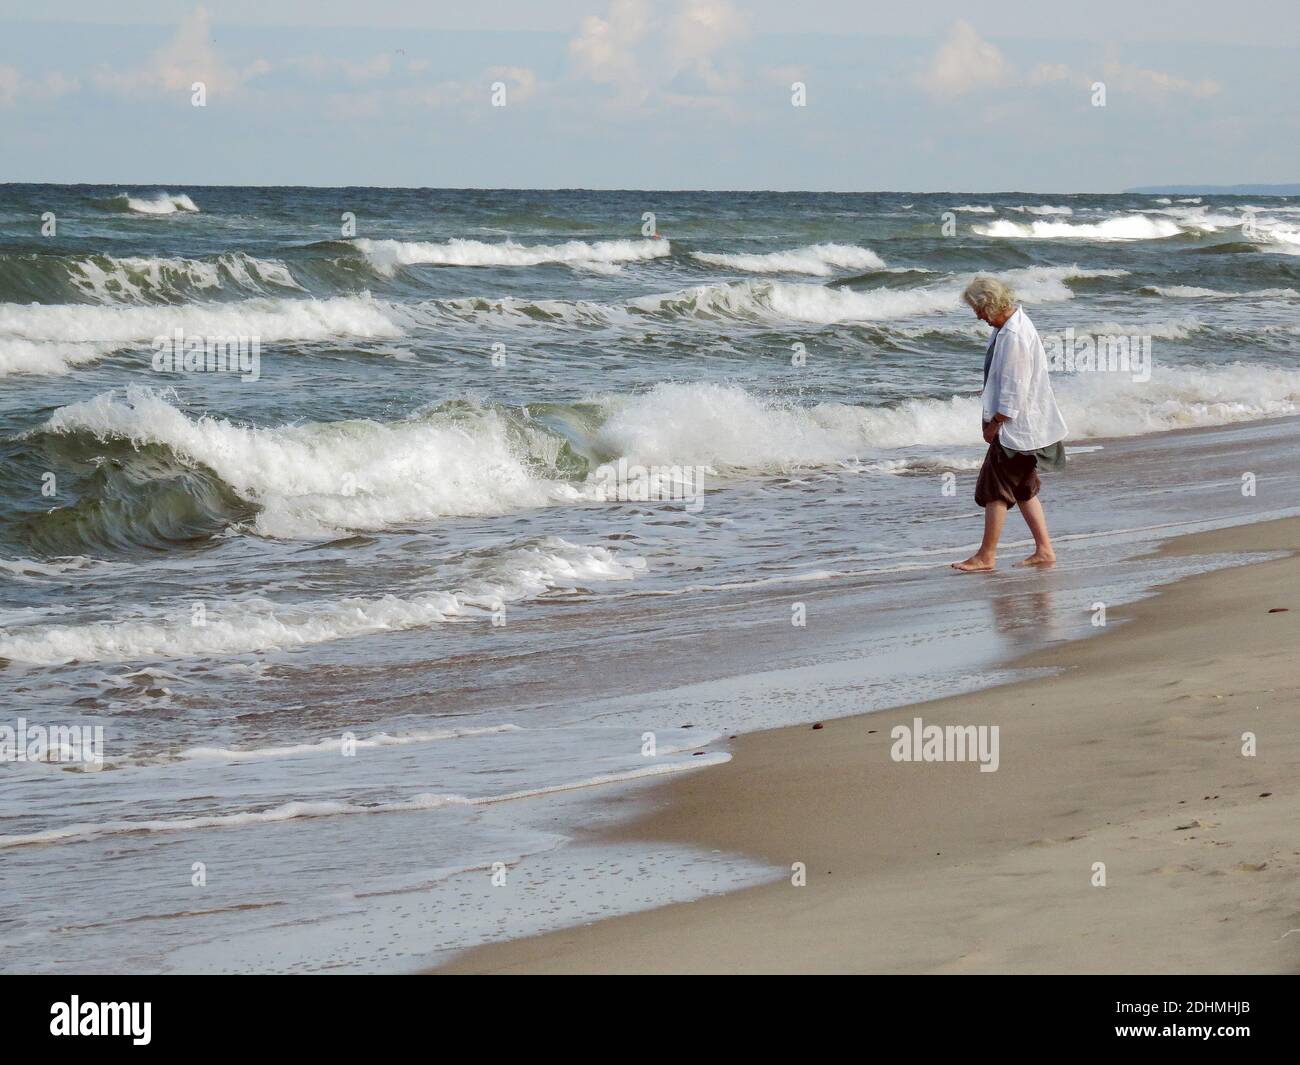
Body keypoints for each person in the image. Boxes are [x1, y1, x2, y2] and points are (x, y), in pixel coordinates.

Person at [952, 277, 1067, 572]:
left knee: (995, 489)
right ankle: (1044, 549)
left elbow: (1015, 388)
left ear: (989, 304)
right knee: (1023, 488)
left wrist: (995, 423)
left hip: (1015, 426)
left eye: (978, 309)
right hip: (1023, 425)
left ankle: (986, 556)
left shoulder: (1014, 335)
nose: (977, 316)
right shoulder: (1009, 327)